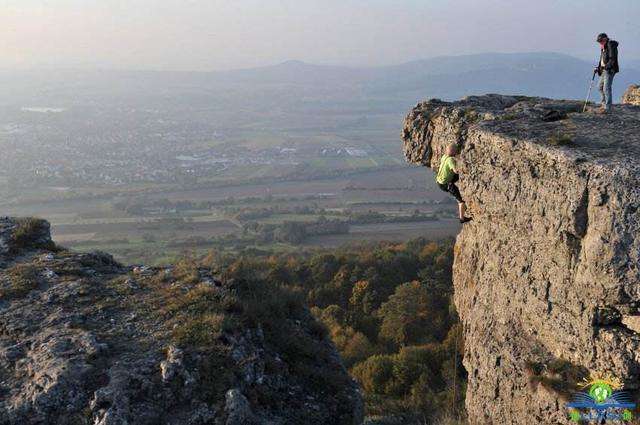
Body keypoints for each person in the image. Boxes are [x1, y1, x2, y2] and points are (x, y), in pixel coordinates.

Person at [436, 143, 471, 224]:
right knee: (461, 201)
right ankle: (462, 218)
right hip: (446, 184)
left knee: (455, 178)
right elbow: (455, 171)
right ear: (454, 151)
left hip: (439, 181)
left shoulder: (444, 156)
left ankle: (463, 208)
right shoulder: (450, 160)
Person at [595, 33, 619, 114]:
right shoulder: (603, 47)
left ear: (605, 39)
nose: (600, 43)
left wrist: (607, 67)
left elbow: (612, 59)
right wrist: (598, 68)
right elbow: (602, 60)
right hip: (604, 70)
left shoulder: (610, 45)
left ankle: (608, 108)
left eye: (601, 41)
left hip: (609, 70)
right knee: (599, 87)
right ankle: (604, 104)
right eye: (599, 42)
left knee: (606, 88)